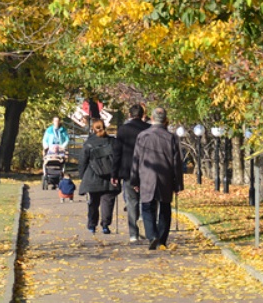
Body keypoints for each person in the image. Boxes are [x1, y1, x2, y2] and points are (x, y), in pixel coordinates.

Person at [131, 107, 184, 250]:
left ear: (152, 119)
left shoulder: (143, 136)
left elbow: (136, 159)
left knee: (147, 207)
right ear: (165, 119)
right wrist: (178, 183)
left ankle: (152, 235)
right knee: (165, 208)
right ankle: (161, 239)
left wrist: (134, 180)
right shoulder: (171, 137)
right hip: (165, 177)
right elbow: (177, 162)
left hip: (147, 176)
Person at [111, 103, 151, 242]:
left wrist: (114, 174)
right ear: (142, 115)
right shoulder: (148, 129)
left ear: (129, 115)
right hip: (146, 170)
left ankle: (133, 233)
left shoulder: (123, 130)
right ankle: (148, 229)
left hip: (127, 170)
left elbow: (117, 153)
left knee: (132, 201)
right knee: (145, 200)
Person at [78, 119, 120, 234]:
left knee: (93, 202)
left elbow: (83, 161)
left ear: (93, 129)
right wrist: (117, 175)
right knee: (108, 201)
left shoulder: (88, 143)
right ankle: (105, 225)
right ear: (105, 127)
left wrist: (82, 176)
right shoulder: (112, 142)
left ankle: (92, 225)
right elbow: (118, 159)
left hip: (93, 177)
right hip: (110, 177)